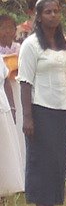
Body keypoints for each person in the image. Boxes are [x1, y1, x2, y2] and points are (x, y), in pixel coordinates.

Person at [17, 0, 66, 206]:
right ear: (39, 17)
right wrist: (28, 117)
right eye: (48, 12)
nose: (53, 15)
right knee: (41, 161)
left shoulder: (65, 43)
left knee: (56, 162)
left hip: (63, 109)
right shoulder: (31, 45)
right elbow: (25, 82)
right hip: (40, 110)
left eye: (56, 11)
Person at [0, 14, 25, 165]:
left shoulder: (20, 48)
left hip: (18, 86)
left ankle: (22, 162)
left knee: (20, 120)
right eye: (3, 28)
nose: (7, 31)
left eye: (10, 27)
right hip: (4, 89)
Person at [0, 58, 24, 199]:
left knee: (5, 150)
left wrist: (13, 106)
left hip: (3, 107)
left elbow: (6, 81)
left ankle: (4, 189)